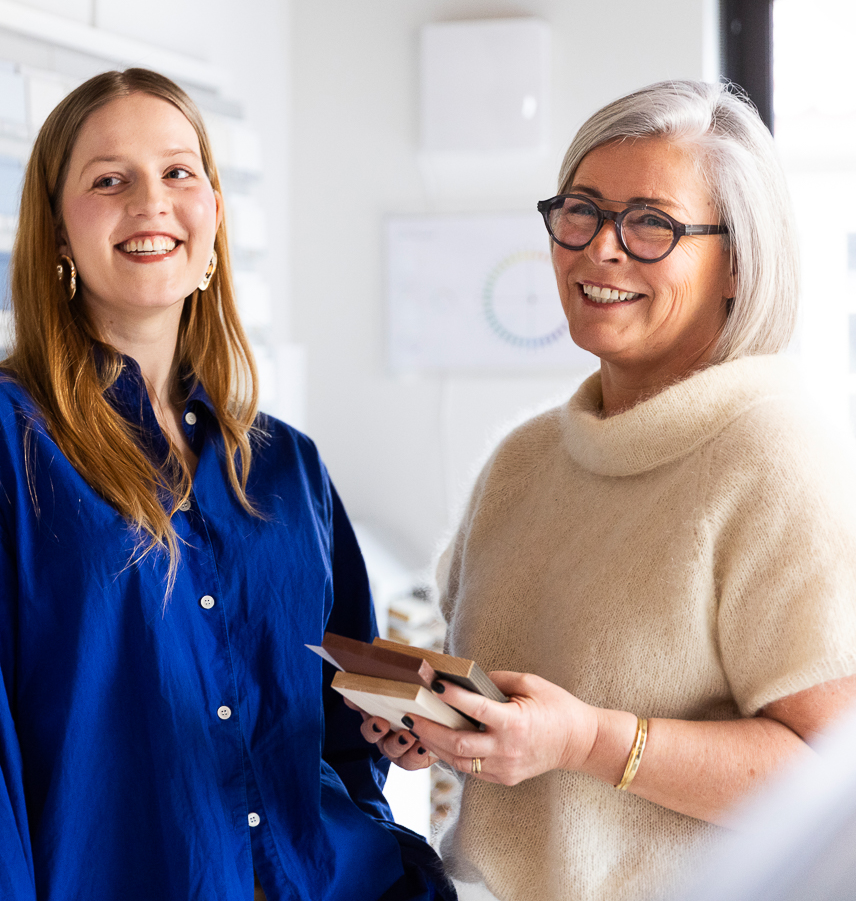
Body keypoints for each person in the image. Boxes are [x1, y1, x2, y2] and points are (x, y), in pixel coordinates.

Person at [0, 68, 454, 901]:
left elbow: (338, 735)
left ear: (214, 216)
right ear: (57, 232)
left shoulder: (289, 468)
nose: (150, 202)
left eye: (179, 173)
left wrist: (399, 725)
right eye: (109, 180)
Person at [358, 81, 856, 901]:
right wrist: (435, 726)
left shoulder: (778, 458)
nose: (599, 250)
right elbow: (513, 711)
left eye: (652, 224)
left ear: (737, 262)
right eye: (582, 210)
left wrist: (587, 741)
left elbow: (828, 780)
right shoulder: (524, 461)